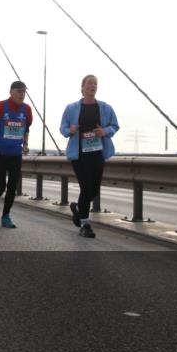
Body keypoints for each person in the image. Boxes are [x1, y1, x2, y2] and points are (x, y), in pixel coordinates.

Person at [60, 75, 119, 238]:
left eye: (95, 83)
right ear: (82, 87)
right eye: (89, 83)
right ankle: (85, 224)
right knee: (86, 187)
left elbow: (115, 126)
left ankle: (79, 210)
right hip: (79, 154)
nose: (93, 86)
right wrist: (69, 130)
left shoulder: (106, 108)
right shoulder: (71, 108)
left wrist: (104, 131)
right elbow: (63, 128)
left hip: (97, 153)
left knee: (94, 189)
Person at [0, 81, 32, 229]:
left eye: (24, 91)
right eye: (19, 91)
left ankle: (5, 216)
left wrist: (26, 144)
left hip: (16, 154)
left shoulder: (27, 109)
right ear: (11, 92)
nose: (22, 94)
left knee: (12, 186)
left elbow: (26, 128)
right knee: (1, 186)